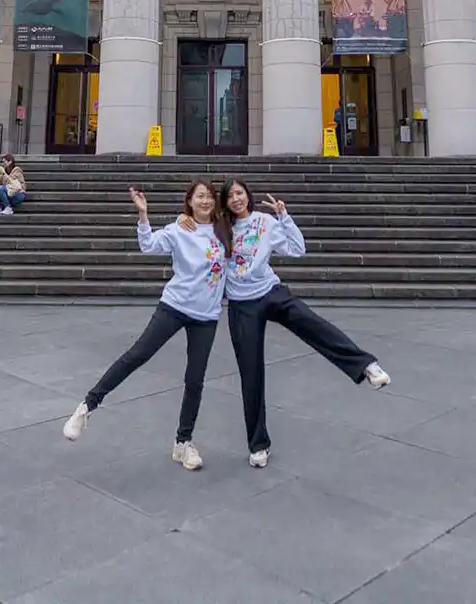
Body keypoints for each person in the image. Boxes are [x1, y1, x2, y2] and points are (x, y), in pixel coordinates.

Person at [202, 178, 389, 468]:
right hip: (241, 306)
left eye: (239, 193)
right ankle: (258, 445)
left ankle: (366, 365)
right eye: (230, 196)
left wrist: (284, 217)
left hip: (270, 293)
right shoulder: (221, 228)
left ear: (247, 196)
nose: (236, 199)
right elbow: (195, 230)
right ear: (225, 202)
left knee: (312, 324)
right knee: (250, 375)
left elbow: (297, 249)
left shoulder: (265, 221)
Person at [63, 182, 229, 471]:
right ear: (189, 201)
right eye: (199, 196)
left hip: (207, 315)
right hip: (175, 306)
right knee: (138, 354)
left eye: (209, 197)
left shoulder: (224, 231)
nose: (205, 201)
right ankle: (87, 406)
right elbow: (149, 245)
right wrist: (143, 215)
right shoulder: (179, 229)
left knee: (195, 380)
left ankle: (183, 443)